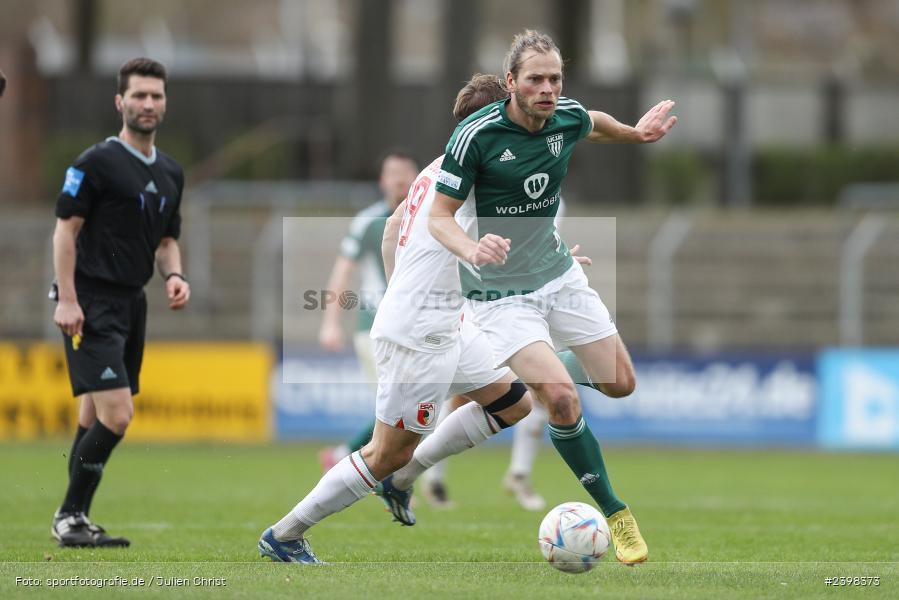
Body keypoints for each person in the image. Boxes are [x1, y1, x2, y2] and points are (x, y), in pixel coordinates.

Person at [258, 74, 535, 564]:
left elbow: (392, 229)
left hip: (445, 322)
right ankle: (285, 533)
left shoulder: (436, 169)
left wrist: (398, 293)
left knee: (514, 403)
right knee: (385, 452)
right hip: (421, 333)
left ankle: (402, 480)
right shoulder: (478, 176)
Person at [428, 30, 677, 565]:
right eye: (536, 79)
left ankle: (533, 369)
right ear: (511, 82)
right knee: (562, 399)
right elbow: (438, 217)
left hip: (559, 277)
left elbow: (594, 122)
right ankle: (617, 513)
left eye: (555, 79)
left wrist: (635, 134)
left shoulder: (565, 116)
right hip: (500, 295)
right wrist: (472, 249)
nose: (547, 89)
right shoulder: (476, 136)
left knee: (621, 383)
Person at [51, 57, 189, 548]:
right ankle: (69, 515)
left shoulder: (171, 172)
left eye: (156, 95)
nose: (148, 103)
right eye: (138, 95)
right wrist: (67, 299)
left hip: (132, 304)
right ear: (120, 102)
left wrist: (174, 275)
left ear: (165, 103)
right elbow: (64, 232)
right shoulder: (95, 163)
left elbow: (167, 240)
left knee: (93, 417)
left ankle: (77, 519)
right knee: (118, 415)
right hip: (90, 302)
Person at [316, 151, 418, 473]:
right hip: (376, 326)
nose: (400, 179)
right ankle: (385, 478)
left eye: (406, 172)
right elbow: (342, 270)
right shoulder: (368, 221)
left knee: (412, 407)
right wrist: (330, 323)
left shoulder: (430, 216)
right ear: (382, 181)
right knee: (396, 410)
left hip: (416, 326)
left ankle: (344, 457)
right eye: (393, 173)